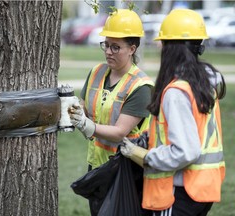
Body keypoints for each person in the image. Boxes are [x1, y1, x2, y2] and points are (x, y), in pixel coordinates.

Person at [121, 8, 226, 216]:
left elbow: (186, 151)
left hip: (178, 191)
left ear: (171, 48)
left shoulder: (177, 92)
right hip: (202, 189)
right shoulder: (203, 84)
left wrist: (146, 155)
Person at [68, 8, 154, 170]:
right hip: (96, 165)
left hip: (125, 170)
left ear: (132, 49)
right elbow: (83, 110)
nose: (108, 52)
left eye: (115, 47)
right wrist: (72, 109)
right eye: (106, 45)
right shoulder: (96, 72)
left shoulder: (141, 86)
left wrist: (86, 125)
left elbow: (119, 132)